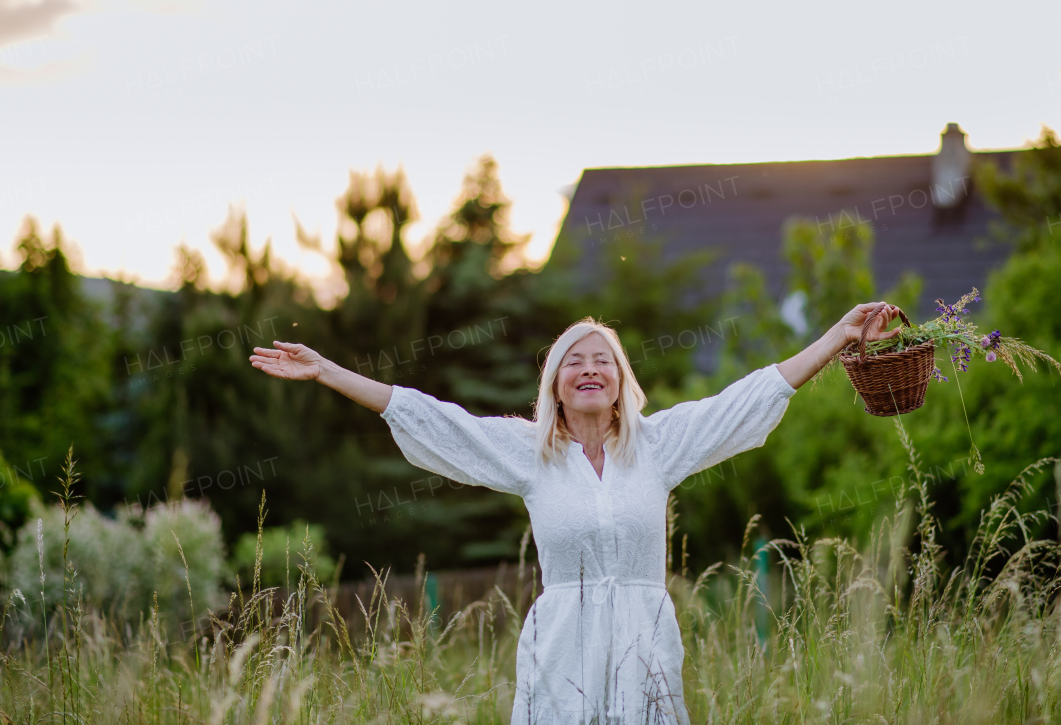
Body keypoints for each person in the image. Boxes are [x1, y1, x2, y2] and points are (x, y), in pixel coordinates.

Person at [250, 302, 899, 724]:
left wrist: (837, 337)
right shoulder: (529, 453)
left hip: (645, 644)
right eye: (573, 362)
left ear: (620, 383)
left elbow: (755, 393)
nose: (589, 369)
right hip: (561, 647)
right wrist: (329, 371)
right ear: (555, 387)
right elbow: (427, 415)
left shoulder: (659, 444)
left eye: (603, 361)